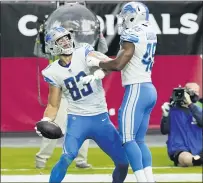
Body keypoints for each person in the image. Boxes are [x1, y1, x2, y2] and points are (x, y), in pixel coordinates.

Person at [36, 26, 129, 183]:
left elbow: (111, 64)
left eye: (67, 37)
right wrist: (45, 120)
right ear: (53, 45)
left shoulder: (84, 51)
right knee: (66, 157)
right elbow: (53, 104)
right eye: (61, 39)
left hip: (101, 119)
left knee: (123, 163)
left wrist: (100, 70)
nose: (66, 41)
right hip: (77, 120)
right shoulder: (52, 71)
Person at [85, 2, 157, 182]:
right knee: (139, 140)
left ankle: (142, 180)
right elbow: (124, 61)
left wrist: (97, 63)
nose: (123, 19)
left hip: (136, 89)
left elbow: (118, 64)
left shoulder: (131, 34)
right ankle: (150, 179)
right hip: (149, 88)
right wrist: (104, 69)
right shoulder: (149, 31)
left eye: (125, 15)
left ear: (133, 16)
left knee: (127, 139)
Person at [34, 2, 108, 169]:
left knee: (83, 126)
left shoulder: (81, 47)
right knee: (55, 124)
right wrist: (39, 39)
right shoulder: (55, 46)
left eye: (72, 31)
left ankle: (81, 159)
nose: (69, 36)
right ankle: (42, 158)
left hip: (80, 90)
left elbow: (103, 50)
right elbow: (39, 52)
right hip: (63, 88)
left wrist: (99, 35)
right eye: (68, 31)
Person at [161, 83, 203, 167]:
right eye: (193, 91)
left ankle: (198, 158)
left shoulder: (198, 109)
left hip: (198, 148)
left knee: (192, 159)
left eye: (197, 92)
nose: (196, 94)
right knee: (187, 159)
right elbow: (164, 131)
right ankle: (196, 160)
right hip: (179, 149)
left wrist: (190, 104)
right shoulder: (172, 110)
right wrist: (165, 116)